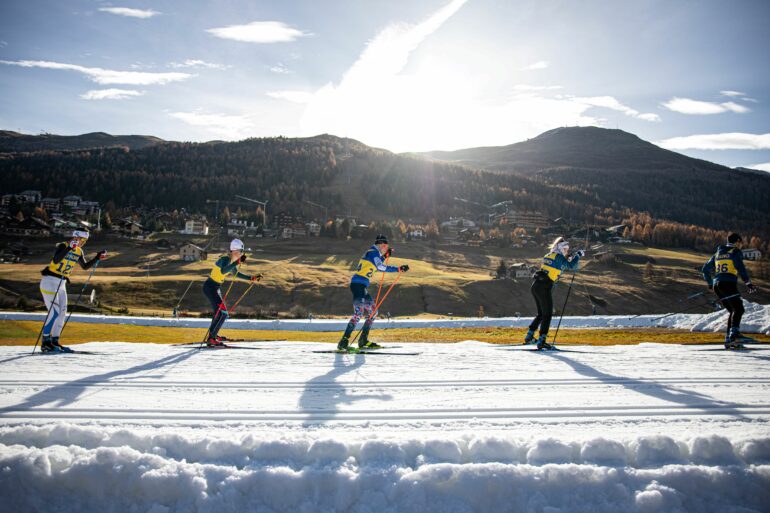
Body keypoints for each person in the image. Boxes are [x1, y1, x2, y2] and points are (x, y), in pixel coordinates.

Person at [337, 234, 408, 351]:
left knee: (373, 312)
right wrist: (398, 269)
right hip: (357, 285)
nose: (386, 247)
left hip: (362, 286)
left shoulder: (374, 254)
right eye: (384, 245)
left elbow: (377, 262)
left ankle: (363, 339)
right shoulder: (373, 252)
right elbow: (380, 267)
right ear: (379, 244)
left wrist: (385, 255)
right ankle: (344, 341)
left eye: (387, 246)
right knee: (359, 313)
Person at [39, 230, 106, 352]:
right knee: (54, 312)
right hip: (50, 281)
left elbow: (85, 266)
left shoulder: (79, 251)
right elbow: (55, 260)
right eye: (82, 240)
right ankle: (45, 342)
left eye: (85, 241)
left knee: (62, 312)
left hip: (62, 282)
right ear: (75, 237)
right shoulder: (63, 245)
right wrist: (69, 248)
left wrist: (97, 257)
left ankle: (55, 341)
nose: (83, 243)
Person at [524, 236, 583, 350]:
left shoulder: (548, 255)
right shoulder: (559, 257)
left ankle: (529, 336)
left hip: (536, 286)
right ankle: (542, 341)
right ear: (560, 248)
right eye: (565, 248)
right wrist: (578, 256)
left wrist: (570, 258)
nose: (566, 251)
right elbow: (570, 266)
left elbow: (558, 265)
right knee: (547, 314)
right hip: (544, 287)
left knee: (541, 314)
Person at [702, 233, 758, 348]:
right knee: (739, 309)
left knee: (733, 310)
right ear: (737, 241)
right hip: (728, 284)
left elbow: (705, 269)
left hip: (718, 285)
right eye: (740, 243)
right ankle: (735, 335)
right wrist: (748, 283)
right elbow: (740, 268)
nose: (741, 245)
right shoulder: (735, 252)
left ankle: (729, 339)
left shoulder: (718, 253)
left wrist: (710, 283)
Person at [202, 239, 261, 347]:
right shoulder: (225, 259)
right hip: (210, 287)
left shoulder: (231, 262)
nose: (242, 254)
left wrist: (251, 278)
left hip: (215, 288)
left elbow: (236, 274)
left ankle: (213, 335)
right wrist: (237, 262)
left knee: (218, 313)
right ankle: (211, 338)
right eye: (241, 252)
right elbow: (223, 271)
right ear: (235, 251)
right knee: (223, 313)